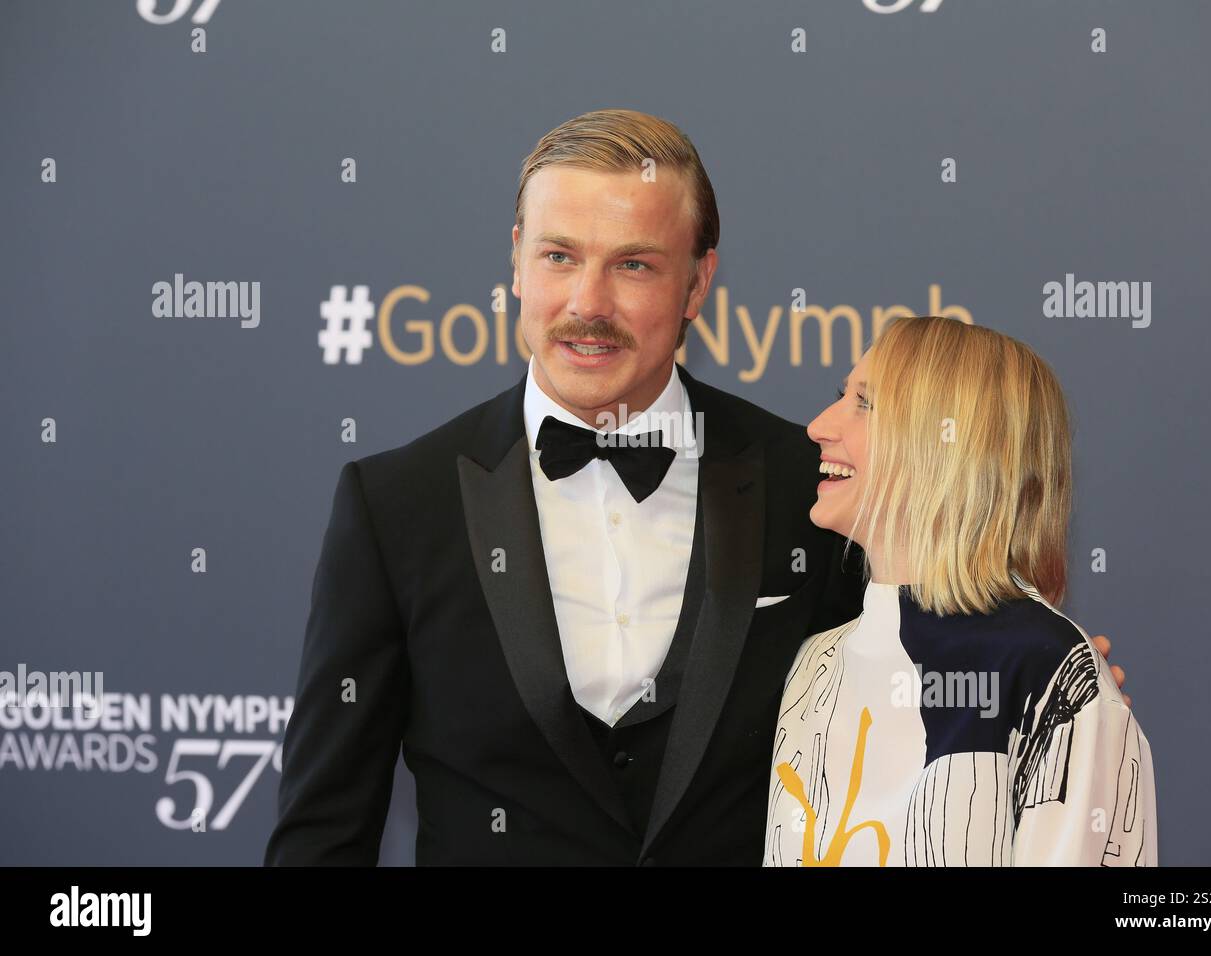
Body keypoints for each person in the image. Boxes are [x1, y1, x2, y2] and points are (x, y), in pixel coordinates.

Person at [264, 109, 1128, 866]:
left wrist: (1048, 684)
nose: (587, 303)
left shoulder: (814, 485)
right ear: (517, 264)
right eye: (561, 256)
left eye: (634, 265)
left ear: (698, 283)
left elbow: (928, 668)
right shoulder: (396, 505)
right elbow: (323, 831)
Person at [763, 315, 1155, 866]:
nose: (819, 426)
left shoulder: (1049, 671)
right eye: (842, 396)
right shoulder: (815, 663)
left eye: (865, 404)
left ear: (950, 443)